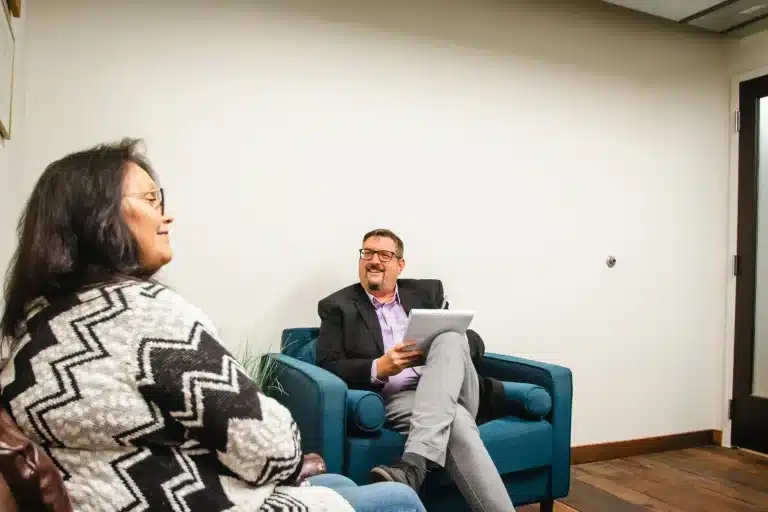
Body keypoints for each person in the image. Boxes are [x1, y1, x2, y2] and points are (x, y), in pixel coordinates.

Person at [0, 140, 426, 512]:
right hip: (188, 500)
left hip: (117, 494)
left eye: (385, 256)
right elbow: (271, 448)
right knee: (399, 502)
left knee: (344, 483)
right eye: (151, 201)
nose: (166, 218)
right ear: (98, 218)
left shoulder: (35, 323)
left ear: (400, 265)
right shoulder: (144, 314)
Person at [316, 229, 516, 512]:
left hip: (459, 388)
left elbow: (474, 343)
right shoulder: (337, 307)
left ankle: (412, 466)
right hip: (402, 398)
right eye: (367, 253)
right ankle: (416, 464)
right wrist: (378, 367)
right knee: (456, 421)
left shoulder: (426, 292)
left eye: (384, 254)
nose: (374, 260)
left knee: (450, 337)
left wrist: (435, 346)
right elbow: (327, 366)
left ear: (400, 264)